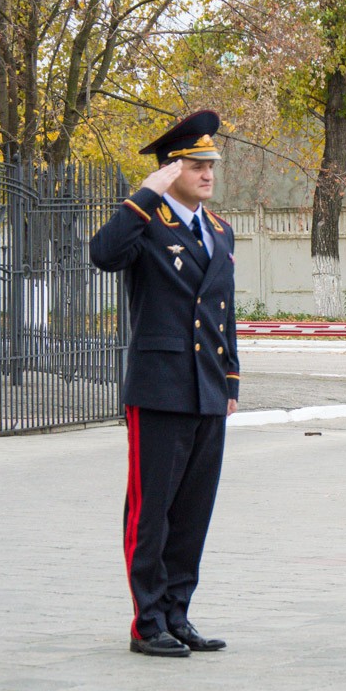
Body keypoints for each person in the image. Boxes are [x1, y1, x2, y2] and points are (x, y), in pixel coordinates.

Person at [89, 110, 239, 657]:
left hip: (206, 388)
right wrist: (143, 195)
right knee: (151, 511)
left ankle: (178, 613)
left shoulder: (219, 230)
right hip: (159, 387)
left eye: (210, 164)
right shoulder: (146, 221)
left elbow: (224, 312)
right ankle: (147, 621)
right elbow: (103, 254)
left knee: (193, 512)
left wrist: (230, 382)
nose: (207, 173)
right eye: (196, 165)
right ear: (170, 170)